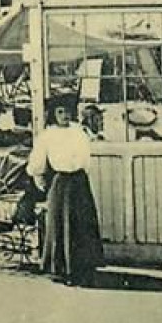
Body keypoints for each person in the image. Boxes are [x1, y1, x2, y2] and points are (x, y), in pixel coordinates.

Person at [29, 100, 105, 286]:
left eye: (67, 111)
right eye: (60, 112)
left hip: (79, 181)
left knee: (82, 225)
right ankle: (61, 270)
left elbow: (85, 157)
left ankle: (83, 268)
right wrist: (39, 177)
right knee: (60, 225)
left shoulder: (79, 132)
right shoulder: (47, 135)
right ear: (53, 114)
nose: (64, 116)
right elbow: (38, 160)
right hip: (60, 182)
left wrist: (80, 173)